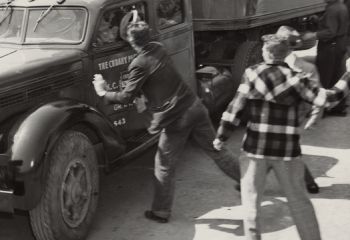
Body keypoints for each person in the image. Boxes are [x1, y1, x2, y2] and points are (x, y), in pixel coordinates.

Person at [214, 35, 350, 240]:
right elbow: (327, 99)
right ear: (285, 54)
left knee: (251, 202)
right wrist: (349, 75)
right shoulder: (297, 79)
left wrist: (221, 136)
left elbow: (235, 108)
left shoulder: (252, 74)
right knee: (300, 202)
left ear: (266, 53)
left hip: (255, 150)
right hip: (287, 151)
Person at [92, 21, 240, 223]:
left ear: (130, 41)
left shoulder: (138, 63)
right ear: (149, 36)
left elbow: (126, 97)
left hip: (176, 117)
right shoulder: (159, 48)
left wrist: (102, 91)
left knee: (164, 165)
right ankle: (246, 182)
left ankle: (161, 211)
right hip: (194, 106)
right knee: (217, 150)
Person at [276, 26, 323, 194]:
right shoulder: (307, 67)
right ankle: (309, 182)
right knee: (279, 145)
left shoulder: (302, 68)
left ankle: (308, 181)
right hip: (289, 113)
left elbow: (317, 94)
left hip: (292, 113)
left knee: (283, 146)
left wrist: (314, 115)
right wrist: (315, 115)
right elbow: (319, 96)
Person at [303, 0, 349, 116]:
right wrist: (319, 20)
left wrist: (313, 34)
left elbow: (330, 32)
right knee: (337, 76)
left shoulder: (333, 9)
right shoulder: (340, 6)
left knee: (324, 78)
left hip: (330, 47)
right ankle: (338, 107)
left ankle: (321, 109)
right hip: (339, 46)